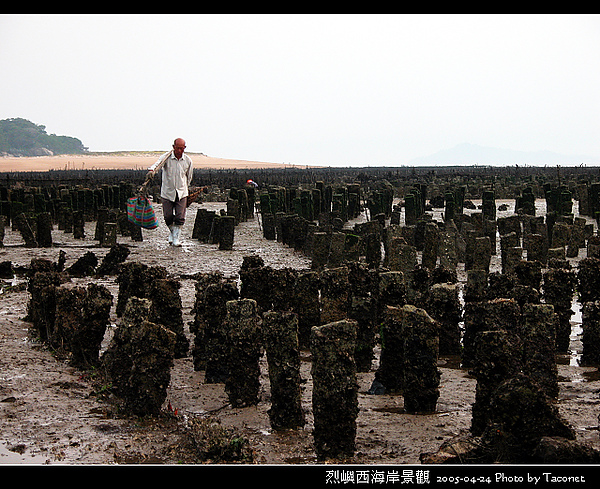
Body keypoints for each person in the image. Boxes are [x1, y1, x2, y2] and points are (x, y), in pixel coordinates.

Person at [146, 138, 193, 246]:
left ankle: (176, 238)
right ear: (173, 147)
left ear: (185, 148)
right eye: (178, 148)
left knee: (180, 217)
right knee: (168, 216)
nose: (180, 151)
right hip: (167, 192)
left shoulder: (188, 160)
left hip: (181, 192)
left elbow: (189, 177)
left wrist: (185, 188)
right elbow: (157, 164)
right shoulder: (166, 157)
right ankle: (172, 233)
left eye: (182, 148)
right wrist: (152, 170)